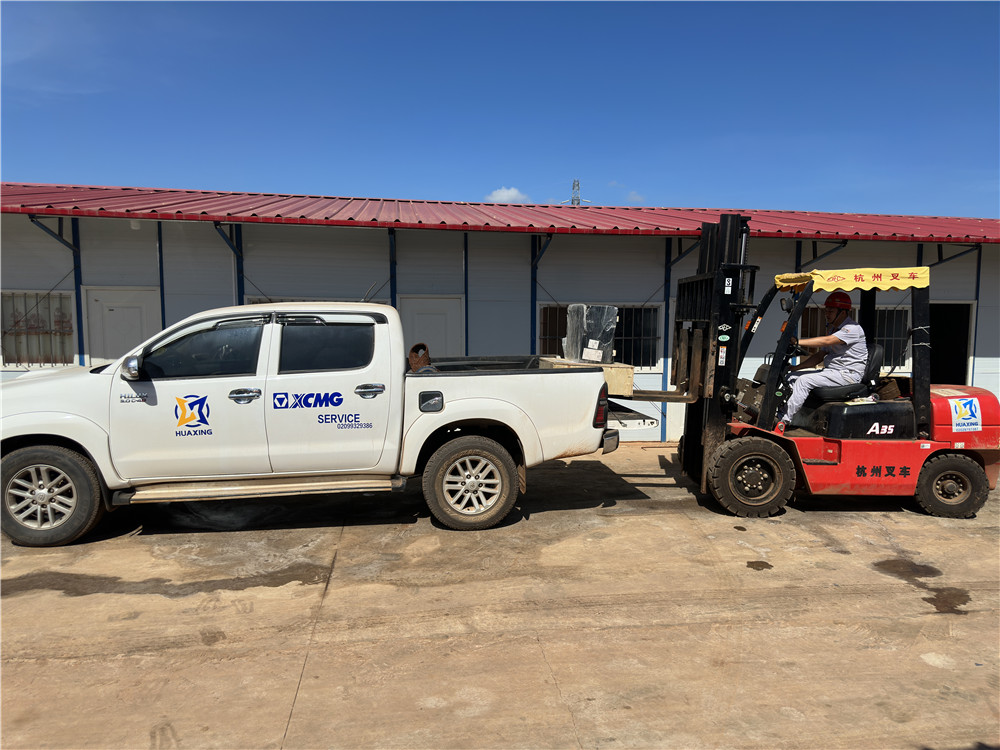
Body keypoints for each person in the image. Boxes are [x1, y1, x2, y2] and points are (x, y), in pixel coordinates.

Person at [776, 291, 867, 429]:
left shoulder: (852, 329)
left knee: (804, 381)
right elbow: (819, 356)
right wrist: (795, 368)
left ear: (843, 312)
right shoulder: (834, 329)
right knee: (791, 377)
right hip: (833, 372)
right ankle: (781, 413)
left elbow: (826, 341)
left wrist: (798, 342)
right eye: (826, 310)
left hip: (848, 375)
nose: (827, 314)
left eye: (831, 311)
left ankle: (783, 421)